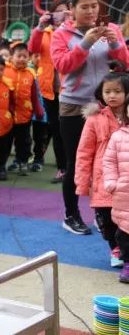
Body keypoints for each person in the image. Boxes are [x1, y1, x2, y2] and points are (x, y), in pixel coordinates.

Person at [50, 0, 129, 235]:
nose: (91, 11)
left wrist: (116, 43)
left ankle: (102, 213)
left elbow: (125, 63)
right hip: (74, 106)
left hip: (107, 106)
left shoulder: (112, 28)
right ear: (72, 9)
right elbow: (63, 65)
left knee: (108, 162)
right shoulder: (60, 35)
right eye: (84, 7)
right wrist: (84, 44)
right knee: (77, 162)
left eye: (94, 5)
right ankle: (71, 214)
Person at [76, 73, 129, 269]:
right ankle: (115, 247)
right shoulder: (94, 119)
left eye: (117, 91)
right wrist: (82, 182)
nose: (112, 95)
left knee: (124, 217)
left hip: (125, 179)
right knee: (106, 219)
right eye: (108, 91)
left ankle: (125, 249)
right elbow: (84, 152)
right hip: (102, 180)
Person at [29, 0, 69, 183]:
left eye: (66, 11)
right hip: (49, 90)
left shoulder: (75, 32)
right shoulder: (45, 32)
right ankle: (62, 168)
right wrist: (39, 27)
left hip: (71, 89)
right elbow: (33, 48)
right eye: (58, 11)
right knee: (57, 130)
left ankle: (78, 169)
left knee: (74, 131)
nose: (62, 14)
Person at [4, 42, 44, 176]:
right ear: (11, 57)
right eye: (18, 56)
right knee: (6, 141)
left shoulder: (31, 74)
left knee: (24, 141)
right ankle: (1, 165)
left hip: (24, 115)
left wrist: (38, 110)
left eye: (25, 56)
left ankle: (23, 162)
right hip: (7, 115)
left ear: (29, 58)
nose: (21, 59)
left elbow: (34, 95)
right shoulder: (5, 70)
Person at [102, 95, 129, 284]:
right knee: (124, 232)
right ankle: (128, 263)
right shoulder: (118, 137)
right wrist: (111, 182)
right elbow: (109, 162)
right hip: (124, 193)